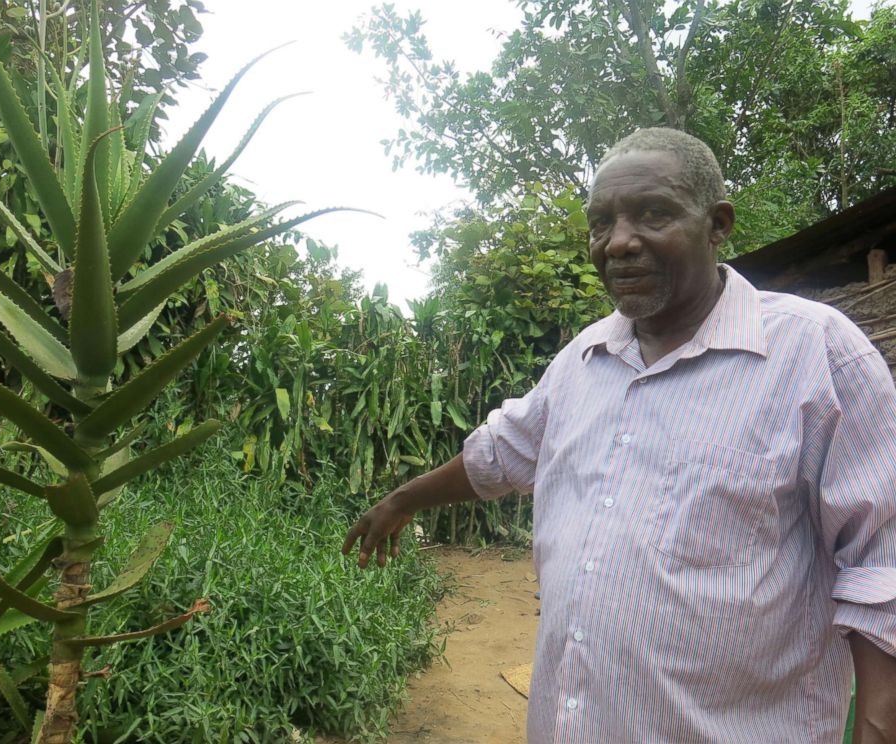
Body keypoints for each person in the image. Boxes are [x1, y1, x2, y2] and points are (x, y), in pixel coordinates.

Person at [342, 128, 896, 743]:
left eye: (654, 214)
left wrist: (877, 723)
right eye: (601, 222)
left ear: (718, 224)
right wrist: (402, 501)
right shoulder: (585, 358)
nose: (619, 242)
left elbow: (880, 557)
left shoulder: (816, 352)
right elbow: (502, 452)